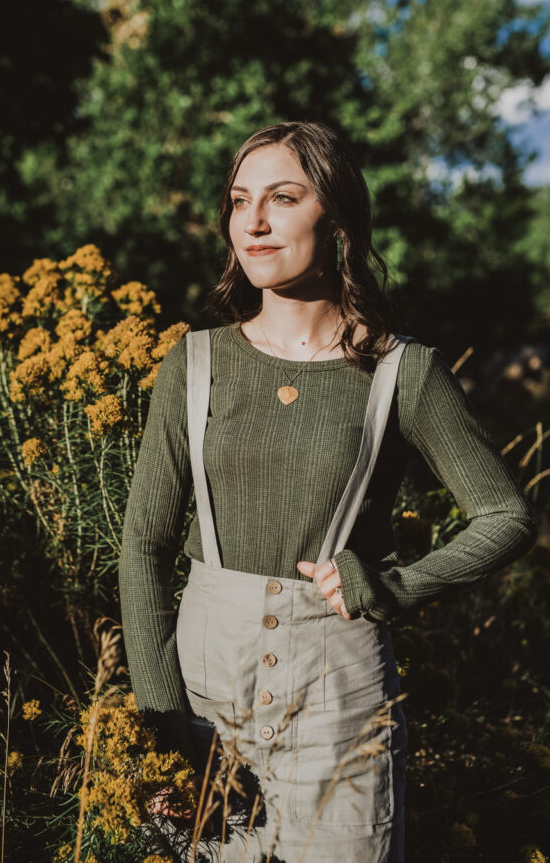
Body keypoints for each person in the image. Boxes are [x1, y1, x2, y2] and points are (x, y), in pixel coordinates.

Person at [118, 120, 538, 862]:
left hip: (342, 698)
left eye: (282, 197)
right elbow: (144, 548)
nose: (253, 221)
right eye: (239, 200)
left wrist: (392, 587)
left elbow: (505, 516)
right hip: (208, 705)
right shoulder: (195, 363)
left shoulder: (404, 372)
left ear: (337, 219)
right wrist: (165, 726)